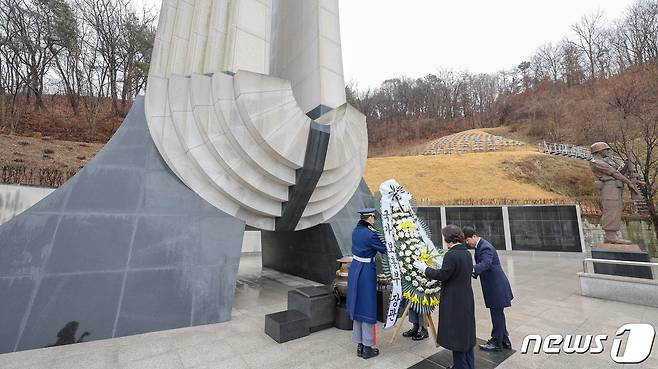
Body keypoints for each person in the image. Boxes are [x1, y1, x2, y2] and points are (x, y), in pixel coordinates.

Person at [413, 225, 475, 369]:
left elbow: (443, 275)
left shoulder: (451, 254)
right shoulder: (466, 253)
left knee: (456, 336)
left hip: (454, 301)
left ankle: (460, 366)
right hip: (466, 298)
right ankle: (469, 365)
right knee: (466, 334)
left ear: (448, 238)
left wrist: (425, 268)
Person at [463, 227, 513, 352]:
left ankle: (496, 342)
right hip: (494, 286)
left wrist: (470, 270)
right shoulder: (480, 246)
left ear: (474, 236)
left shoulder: (485, 247)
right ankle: (504, 341)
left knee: (497, 315)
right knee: (498, 314)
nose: (467, 243)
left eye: (468, 240)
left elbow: (486, 263)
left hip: (496, 287)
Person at [346, 208, 387, 359]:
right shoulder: (371, 234)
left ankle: (360, 344)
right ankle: (368, 347)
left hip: (355, 268)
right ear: (369, 218)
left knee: (357, 305)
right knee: (367, 306)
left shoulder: (355, 231)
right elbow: (384, 249)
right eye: (373, 218)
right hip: (366, 271)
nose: (374, 220)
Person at [589, 142, 642, 244]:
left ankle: (613, 235)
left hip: (614, 187)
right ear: (599, 151)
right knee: (611, 209)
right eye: (606, 149)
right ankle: (611, 236)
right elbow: (615, 173)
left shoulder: (604, 162)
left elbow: (617, 173)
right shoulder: (597, 162)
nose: (608, 151)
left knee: (616, 209)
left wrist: (626, 165)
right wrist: (629, 182)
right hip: (609, 188)